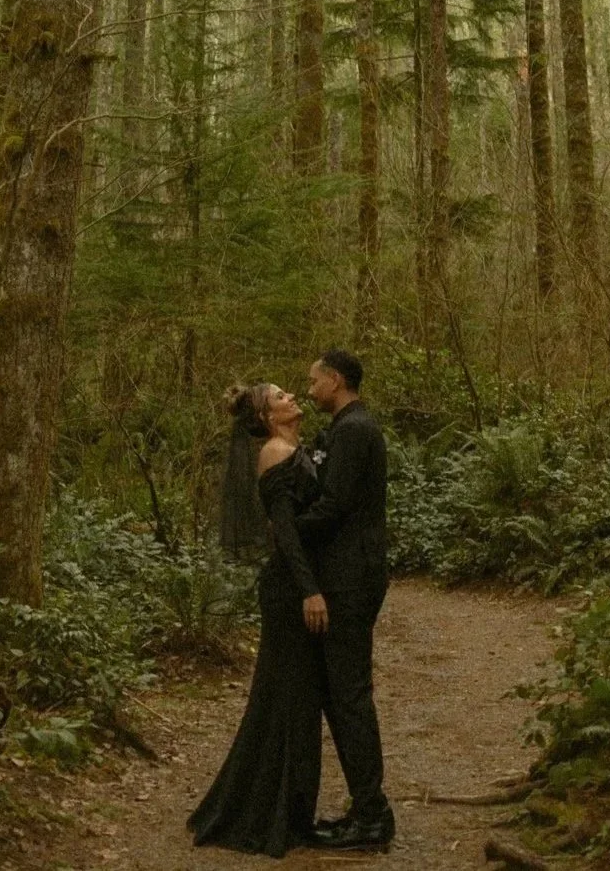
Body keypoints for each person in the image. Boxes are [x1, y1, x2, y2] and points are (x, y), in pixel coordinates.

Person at [187, 383, 328, 857]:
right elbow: (284, 531)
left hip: (300, 585)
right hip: (289, 592)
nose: (292, 397)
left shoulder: (295, 447)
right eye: (281, 396)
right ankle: (264, 814)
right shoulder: (273, 454)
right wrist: (309, 590)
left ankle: (291, 811)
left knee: (300, 702)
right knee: (283, 700)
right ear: (268, 416)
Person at [301, 349, 394, 852]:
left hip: (352, 577)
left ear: (335, 380)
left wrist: (286, 531)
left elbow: (335, 505)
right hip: (344, 573)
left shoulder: (356, 430)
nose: (309, 389)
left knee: (350, 694)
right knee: (341, 693)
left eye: (314, 380)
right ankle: (365, 808)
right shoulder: (343, 428)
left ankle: (373, 815)